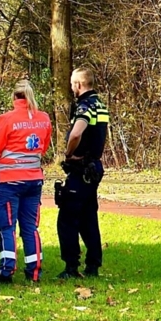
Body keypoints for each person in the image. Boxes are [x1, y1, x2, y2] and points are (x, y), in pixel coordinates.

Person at [0, 80, 53, 283]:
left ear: (15, 97)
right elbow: (43, 147)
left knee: (7, 226)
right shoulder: (44, 119)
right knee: (30, 227)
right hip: (34, 181)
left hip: (9, 181)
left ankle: (6, 271)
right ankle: (34, 272)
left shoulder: (7, 119)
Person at [56, 67, 109, 279]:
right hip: (94, 167)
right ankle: (93, 266)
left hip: (81, 168)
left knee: (67, 219)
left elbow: (77, 133)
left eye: (72, 84)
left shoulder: (85, 106)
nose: (71, 88)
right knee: (88, 218)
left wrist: (68, 154)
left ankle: (71, 267)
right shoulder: (100, 105)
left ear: (78, 85)